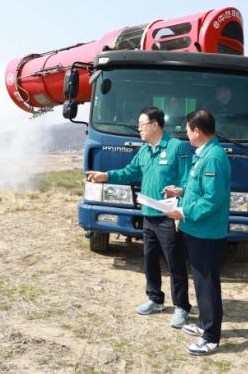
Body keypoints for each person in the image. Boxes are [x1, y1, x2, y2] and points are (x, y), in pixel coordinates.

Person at [86, 106, 193, 328]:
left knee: (175, 263)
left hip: (168, 216)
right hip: (148, 215)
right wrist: (106, 175)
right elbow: (130, 172)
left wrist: (180, 211)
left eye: (141, 125)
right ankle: (155, 299)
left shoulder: (176, 147)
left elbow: (188, 181)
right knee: (150, 259)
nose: (139, 129)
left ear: (155, 125)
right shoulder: (144, 151)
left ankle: (182, 306)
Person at [165, 109, 231, 356]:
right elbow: (199, 190)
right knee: (201, 281)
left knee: (207, 284)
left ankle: (211, 337)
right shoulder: (204, 154)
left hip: (207, 233)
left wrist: (183, 212)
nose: (187, 135)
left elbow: (211, 200)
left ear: (198, 131)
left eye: (188, 130)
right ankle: (204, 323)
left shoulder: (213, 157)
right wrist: (180, 192)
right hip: (198, 230)